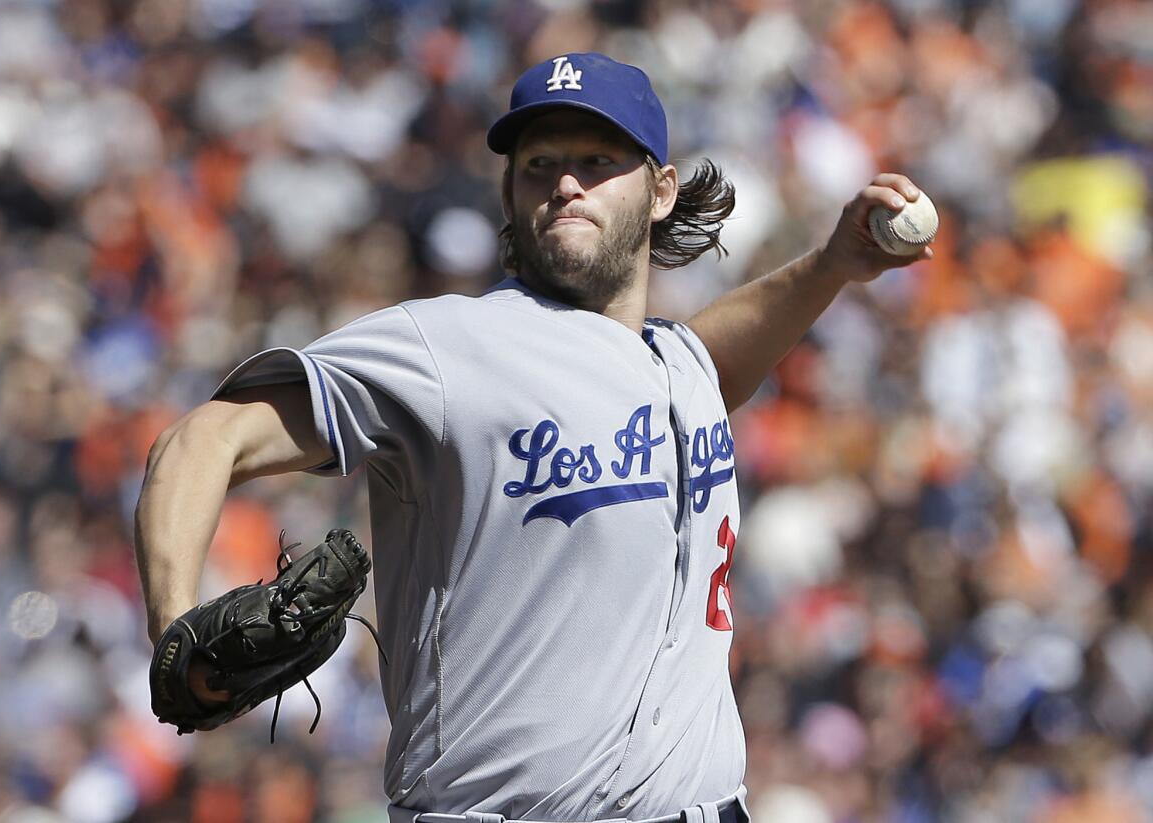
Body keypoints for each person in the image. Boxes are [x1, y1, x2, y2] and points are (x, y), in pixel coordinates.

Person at [135, 52, 932, 823]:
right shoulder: (447, 347)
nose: (567, 183)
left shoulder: (683, 370)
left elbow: (706, 359)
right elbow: (203, 442)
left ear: (660, 191)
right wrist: (175, 627)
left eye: (596, 158)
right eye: (540, 163)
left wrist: (831, 264)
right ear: (512, 193)